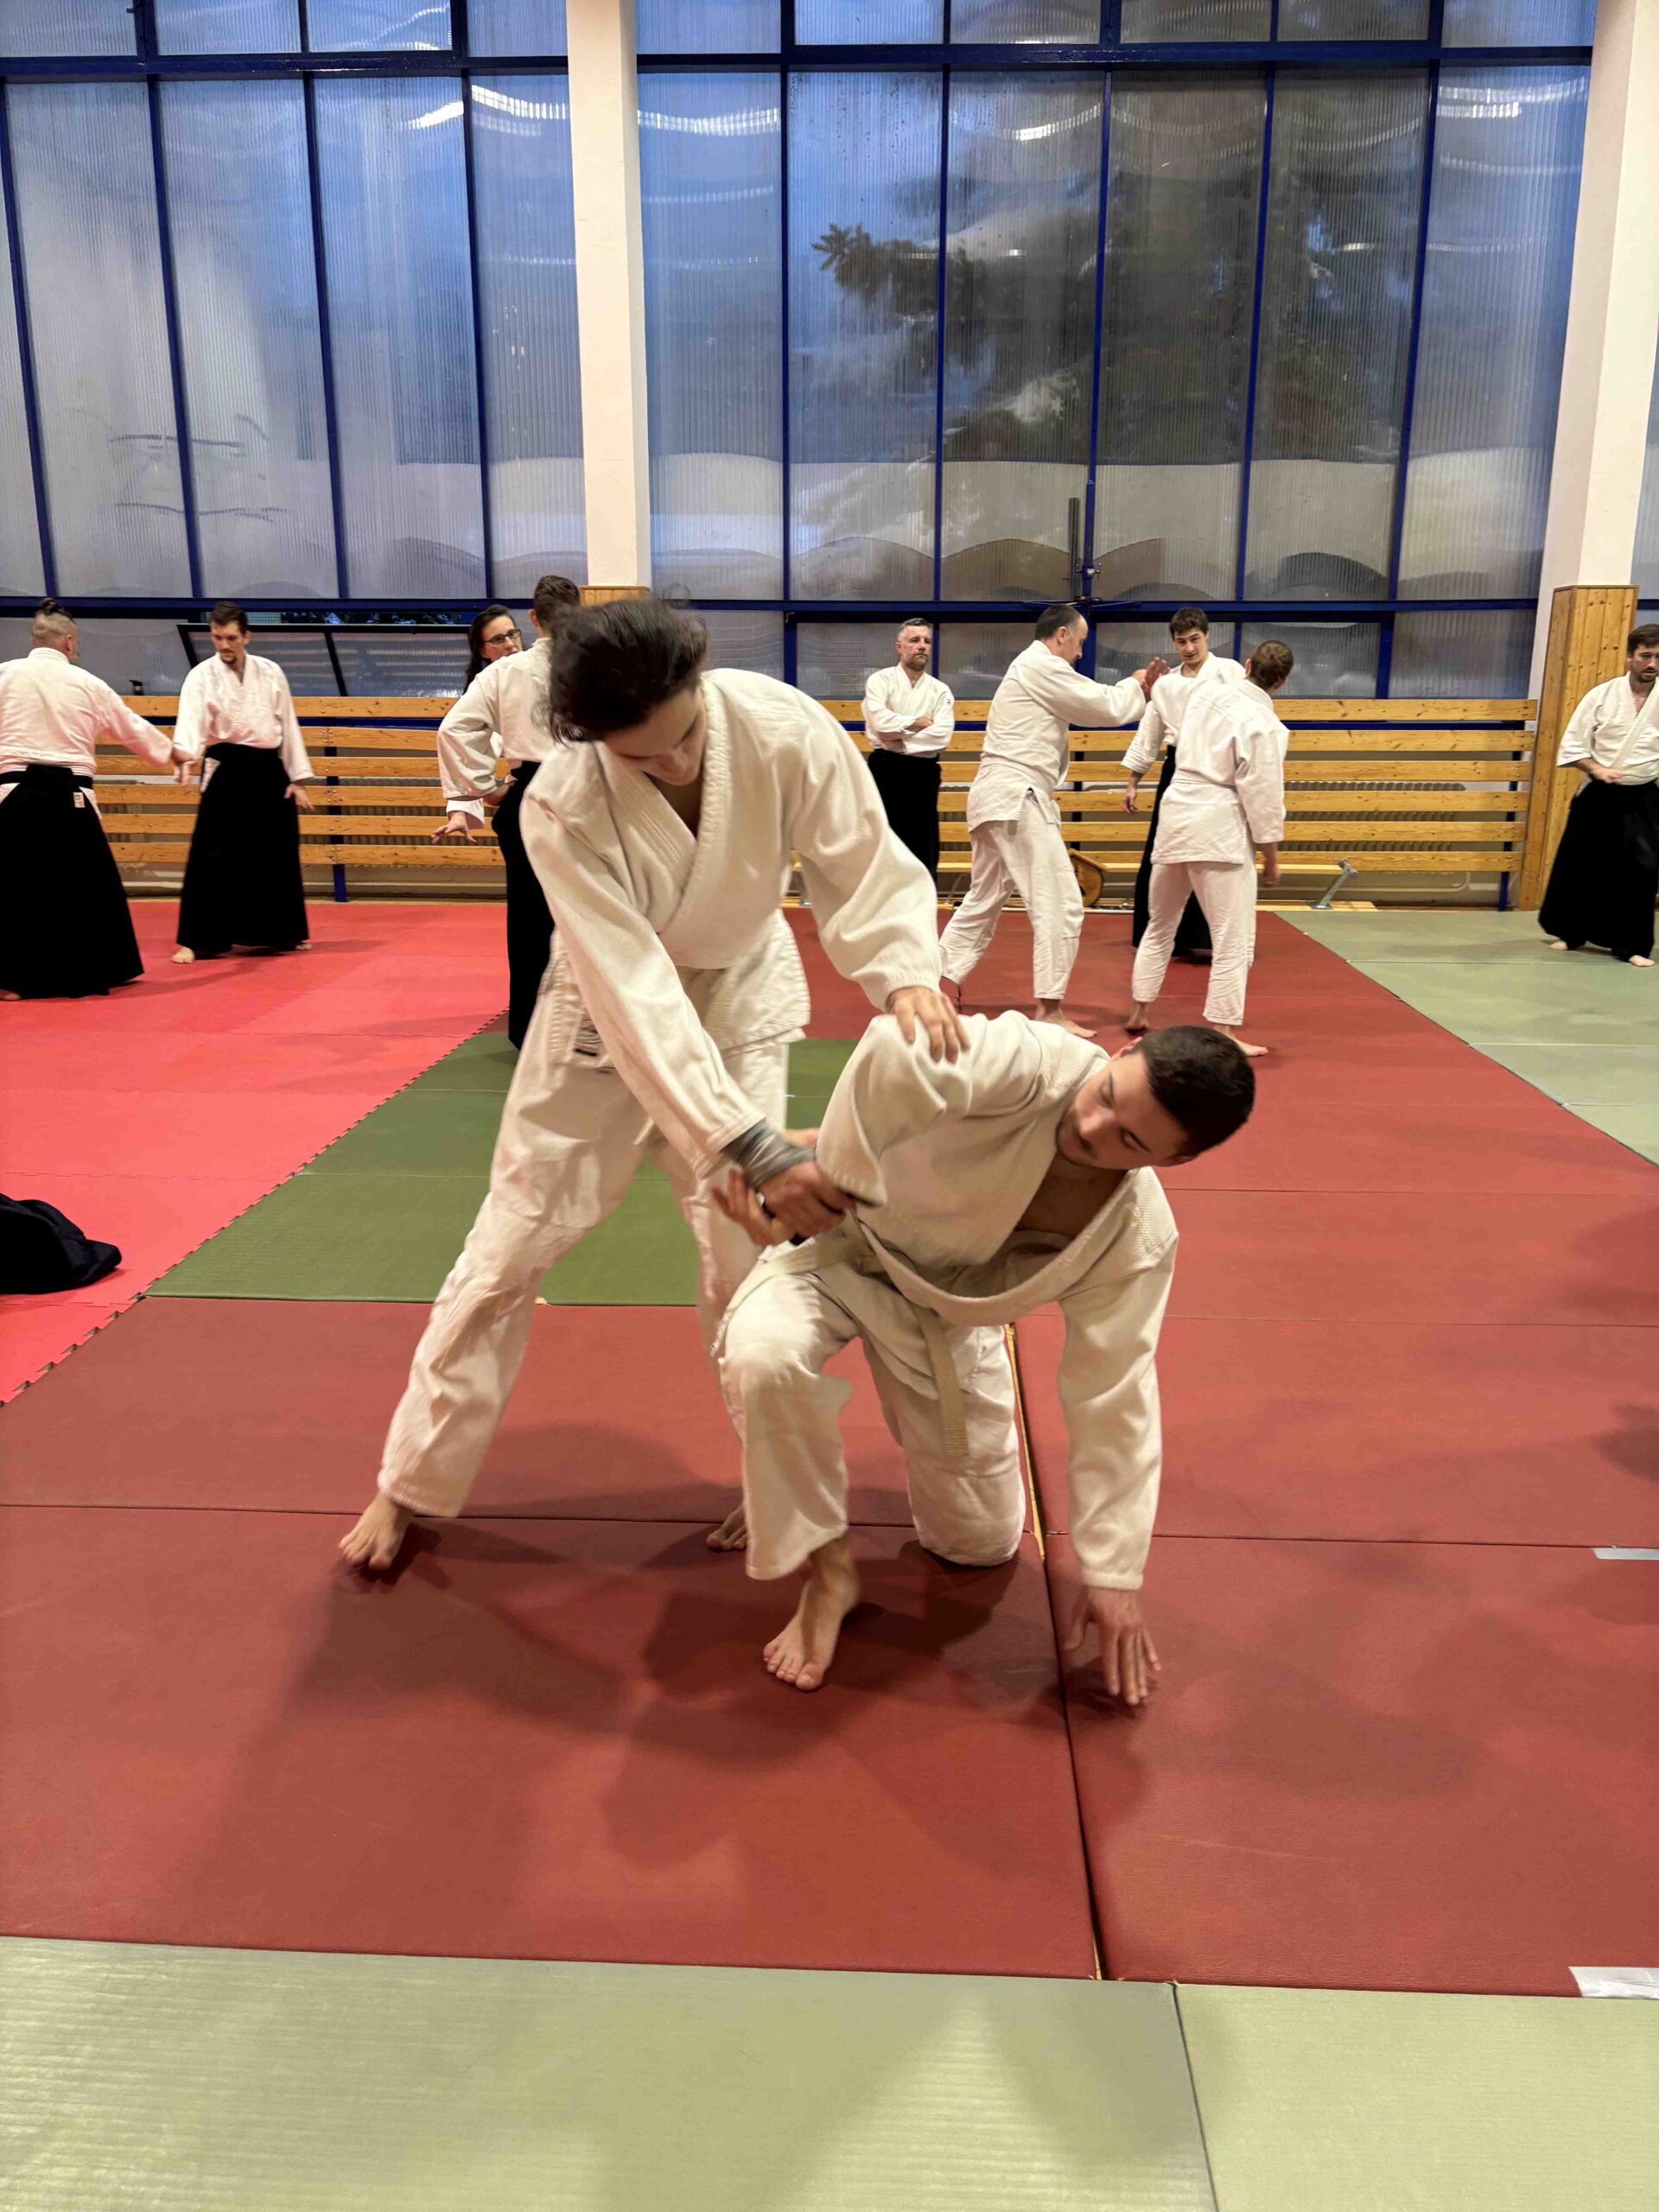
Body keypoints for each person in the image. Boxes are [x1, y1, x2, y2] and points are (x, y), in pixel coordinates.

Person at [340, 597, 962, 1574]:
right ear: (587, 741)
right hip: (604, 1013)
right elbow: (634, 992)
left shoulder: (780, 724)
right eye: (642, 758)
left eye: (686, 736)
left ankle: (775, 1484)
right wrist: (744, 1143)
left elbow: (862, 862)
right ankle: (411, 1477)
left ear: (700, 682)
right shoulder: (561, 805)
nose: (673, 764)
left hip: (740, 988)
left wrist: (907, 971)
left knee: (744, 1262)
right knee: (509, 1247)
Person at [714, 1014, 1254, 1696]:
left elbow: (1114, 1395)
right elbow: (892, 1048)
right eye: (1108, 1095)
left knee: (980, 1543)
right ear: (1125, 1050)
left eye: (1129, 1140)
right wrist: (832, 1177)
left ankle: (781, 1470)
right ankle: (826, 1569)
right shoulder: (1034, 1062)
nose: (1091, 1128)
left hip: (945, 1315)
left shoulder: (1134, 1237)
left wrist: (1113, 1571)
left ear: (1172, 1162)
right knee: (764, 1360)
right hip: (838, 1243)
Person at [938, 605, 1164, 1039]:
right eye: (1079, 642)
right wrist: (1137, 686)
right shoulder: (1039, 666)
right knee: (1061, 902)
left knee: (984, 899)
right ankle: (1049, 1008)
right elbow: (1100, 705)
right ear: (1061, 635)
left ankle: (930, 983)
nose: (1080, 653)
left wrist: (1136, 690)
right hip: (1015, 795)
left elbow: (1089, 701)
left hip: (997, 796)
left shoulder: (1031, 668)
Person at [0, 600, 188, 1001]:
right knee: (83, 890)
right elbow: (131, 728)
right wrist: (172, 752)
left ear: (33, 640)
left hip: (13, 796)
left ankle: (11, 980)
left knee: (16, 889)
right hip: (71, 799)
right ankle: (88, 973)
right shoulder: (88, 683)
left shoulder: (4, 675)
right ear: (69, 642)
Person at [434, 573, 581, 1048]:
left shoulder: (503, 673)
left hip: (530, 795)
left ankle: (532, 1031)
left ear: (533, 619)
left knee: (530, 918)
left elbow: (453, 731)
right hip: (588, 794)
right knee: (592, 915)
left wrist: (484, 788)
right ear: (579, 614)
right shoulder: (601, 665)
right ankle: (592, 1028)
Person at [1128, 641, 1293, 1059]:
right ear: (1282, 682)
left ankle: (1139, 1009)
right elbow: (1263, 795)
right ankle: (1224, 1028)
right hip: (1219, 825)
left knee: (1160, 923)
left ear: (1248, 665)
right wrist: (1271, 855)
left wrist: (1146, 684)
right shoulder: (1267, 725)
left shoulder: (1203, 693)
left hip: (1177, 812)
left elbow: (1162, 700)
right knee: (1232, 937)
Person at [171, 602, 315, 964]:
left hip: (268, 768)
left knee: (275, 853)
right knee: (211, 854)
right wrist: (185, 758)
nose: (224, 645)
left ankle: (281, 933)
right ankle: (198, 939)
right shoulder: (201, 676)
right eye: (218, 637)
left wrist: (297, 778)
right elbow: (190, 722)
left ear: (247, 636)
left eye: (231, 638)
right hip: (226, 767)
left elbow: (288, 724)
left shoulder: (270, 671)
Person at [1122, 607, 1248, 957]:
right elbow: (1150, 732)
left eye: (1195, 639)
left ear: (1206, 636)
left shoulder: (1230, 672)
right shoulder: (1167, 683)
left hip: (1219, 766)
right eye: (1181, 642)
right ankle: (1162, 936)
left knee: (1212, 850)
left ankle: (1208, 937)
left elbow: (1248, 718)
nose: (1189, 648)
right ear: (1174, 643)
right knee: (1166, 849)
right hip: (1177, 766)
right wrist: (1133, 780)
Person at [1539, 623, 1659, 968]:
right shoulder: (1601, 695)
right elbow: (1573, 746)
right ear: (1630, 657)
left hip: (1642, 794)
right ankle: (1571, 933)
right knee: (1582, 864)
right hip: (1599, 792)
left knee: (1642, 870)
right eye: (1645, 656)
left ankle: (1632, 945)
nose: (1652, 664)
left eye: (1658, 657)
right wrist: (1597, 769)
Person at [861, 617, 954, 887]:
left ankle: (921, 898)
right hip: (885, 768)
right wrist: (917, 722)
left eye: (926, 641)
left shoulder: (940, 690)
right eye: (914, 640)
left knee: (922, 838)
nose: (922, 646)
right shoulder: (880, 681)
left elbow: (941, 736)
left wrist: (898, 740)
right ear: (899, 647)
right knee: (884, 835)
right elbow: (879, 723)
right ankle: (880, 899)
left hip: (923, 772)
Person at [463, 604, 523, 689]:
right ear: (483, 651)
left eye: (511, 634)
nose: (510, 644)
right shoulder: (480, 689)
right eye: (498, 639)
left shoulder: (540, 673)